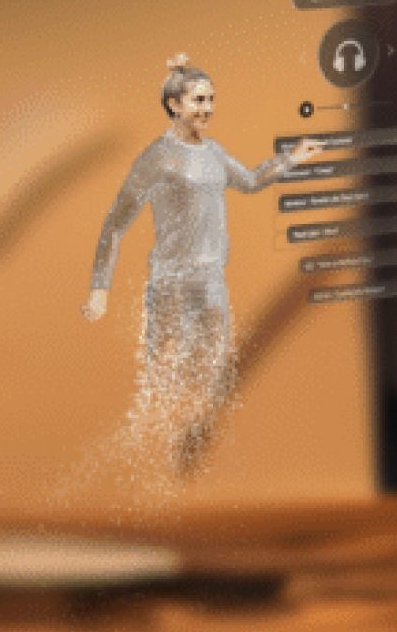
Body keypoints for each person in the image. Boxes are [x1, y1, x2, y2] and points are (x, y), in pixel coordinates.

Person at [83, 55, 321, 473]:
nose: (206, 109)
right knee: (163, 377)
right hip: (172, 281)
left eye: (210, 100)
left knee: (213, 369)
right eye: (197, 100)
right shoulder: (157, 159)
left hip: (210, 280)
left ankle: (191, 444)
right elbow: (115, 223)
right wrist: (100, 289)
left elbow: (248, 181)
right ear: (174, 105)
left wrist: (291, 159)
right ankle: (150, 467)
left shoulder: (213, 153)